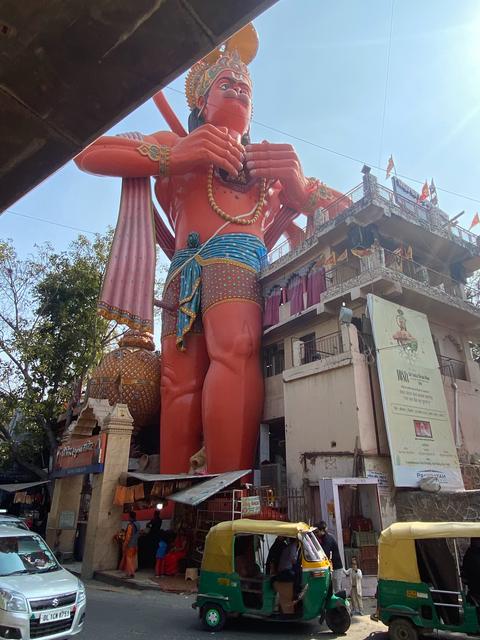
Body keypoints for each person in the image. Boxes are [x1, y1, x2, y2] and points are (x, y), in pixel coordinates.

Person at [75, 25, 346, 475]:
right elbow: (88, 152)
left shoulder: (270, 167)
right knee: (175, 383)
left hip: (238, 262)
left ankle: (225, 490)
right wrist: (176, 156)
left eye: (245, 88)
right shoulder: (174, 147)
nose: (239, 90)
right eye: (227, 84)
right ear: (202, 101)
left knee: (235, 351)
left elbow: (351, 212)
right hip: (183, 269)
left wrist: (298, 187)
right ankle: (175, 494)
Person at [315, 521, 344, 593]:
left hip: (336, 568)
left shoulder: (328, 540)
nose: (316, 534)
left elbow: (325, 555)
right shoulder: (325, 538)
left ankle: (340, 604)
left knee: (337, 591)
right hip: (332, 568)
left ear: (322, 531)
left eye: (317, 532)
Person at [119, 511, 139, 579]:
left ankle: (131, 573)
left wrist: (125, 545)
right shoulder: (138, 524)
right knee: (132, 559)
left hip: (130, 544)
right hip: (135, 544)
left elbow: (128, 536)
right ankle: (128, 573)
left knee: (128, 559)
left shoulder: (130, 525)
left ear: (130, 517)